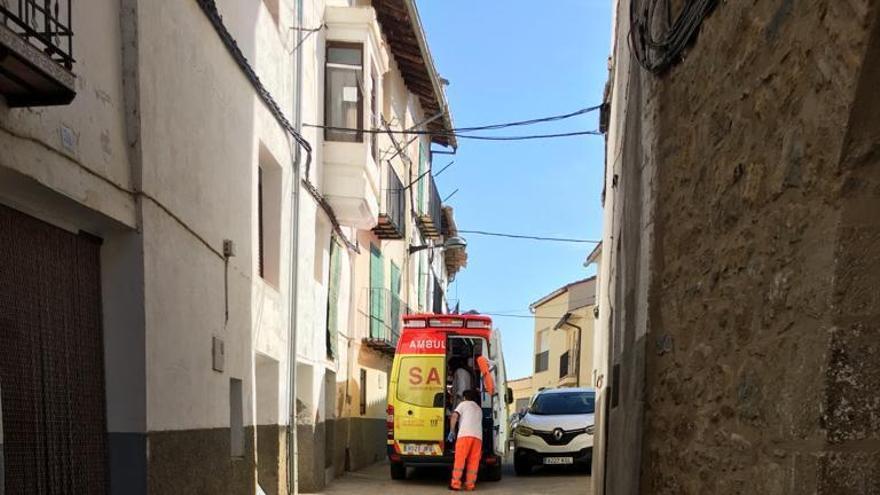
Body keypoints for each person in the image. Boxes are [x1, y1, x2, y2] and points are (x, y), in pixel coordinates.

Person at [447, 389, 482, 491]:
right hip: (478, 438)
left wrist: (452, 430)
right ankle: (470, 485)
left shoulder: (463, 404)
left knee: (460, 460)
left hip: (465, 435)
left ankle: (455, 484)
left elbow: (454, 416)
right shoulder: (478, 408)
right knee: (473, 462)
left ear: (464, 397)